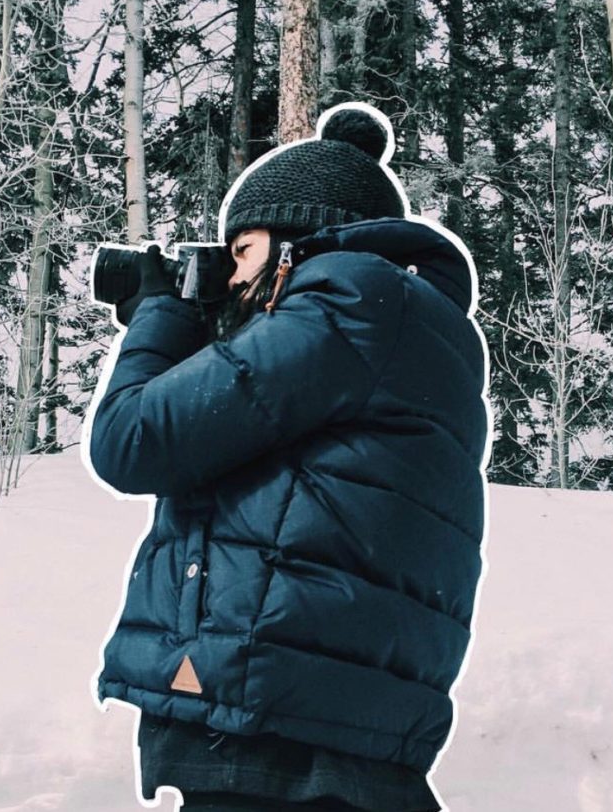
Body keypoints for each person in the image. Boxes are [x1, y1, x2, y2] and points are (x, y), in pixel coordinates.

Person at [84, 103, 489, 812]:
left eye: (241, 251)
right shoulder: (393, 323)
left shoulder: (346, 300)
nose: (232, 278)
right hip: (316, 716)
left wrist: (162, 309)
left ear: (298, 239)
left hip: (277, 726)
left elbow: (132, 441)